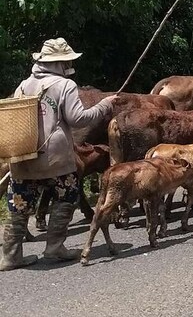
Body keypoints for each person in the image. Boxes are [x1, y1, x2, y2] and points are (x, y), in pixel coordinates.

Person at [1, 38, 116, 271]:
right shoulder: (65, 86)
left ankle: (11, 256)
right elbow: (78, 119)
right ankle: (54, 248)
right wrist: (104, 105)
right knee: (66, 197)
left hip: (24, 154)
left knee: (19, 204)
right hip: (55, 157)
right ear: (60, 62)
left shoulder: (23, 85)